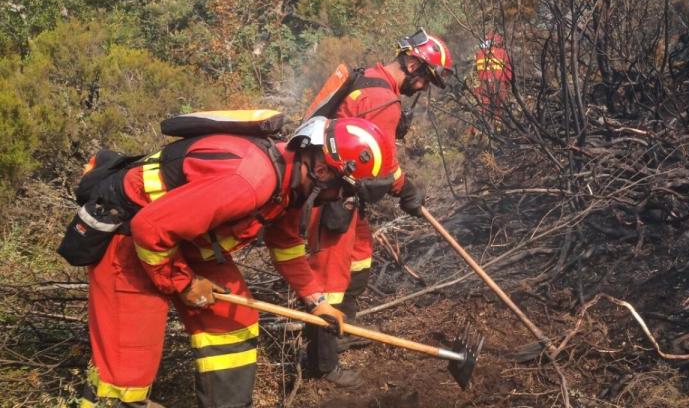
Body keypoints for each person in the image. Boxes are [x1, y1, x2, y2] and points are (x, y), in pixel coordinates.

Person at [80, 116, 399, 407]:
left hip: (183, 242)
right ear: (322, 171)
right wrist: (184, 283)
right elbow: (149, 229)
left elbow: (286, 245)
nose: (337, 200)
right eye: (341, 191)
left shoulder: (289, 185)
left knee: (234, 321)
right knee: (125, 380)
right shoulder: (250, 181)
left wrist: (317, 302)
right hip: (129, 243)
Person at [302, 28, 454, 387]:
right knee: (331, 284)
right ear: (414, 63)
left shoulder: (364, 77)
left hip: (343, 198)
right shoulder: (383, 101)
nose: (423, 88)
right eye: (426, 79)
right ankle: (323, 367)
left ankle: (339, 332)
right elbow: (384, 165)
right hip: (331, 202)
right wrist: (407, 190)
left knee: (360, 263)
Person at [473, 31, 512, 115]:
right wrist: (507, 86)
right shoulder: (503, 53)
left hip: (483, 84)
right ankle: (498, 125)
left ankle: (483, 125)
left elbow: (475, 74)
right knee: (499, 109)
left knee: (483, 110)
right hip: (499, 84)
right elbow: (509, 74)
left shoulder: (478, 53)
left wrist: (476, 90)